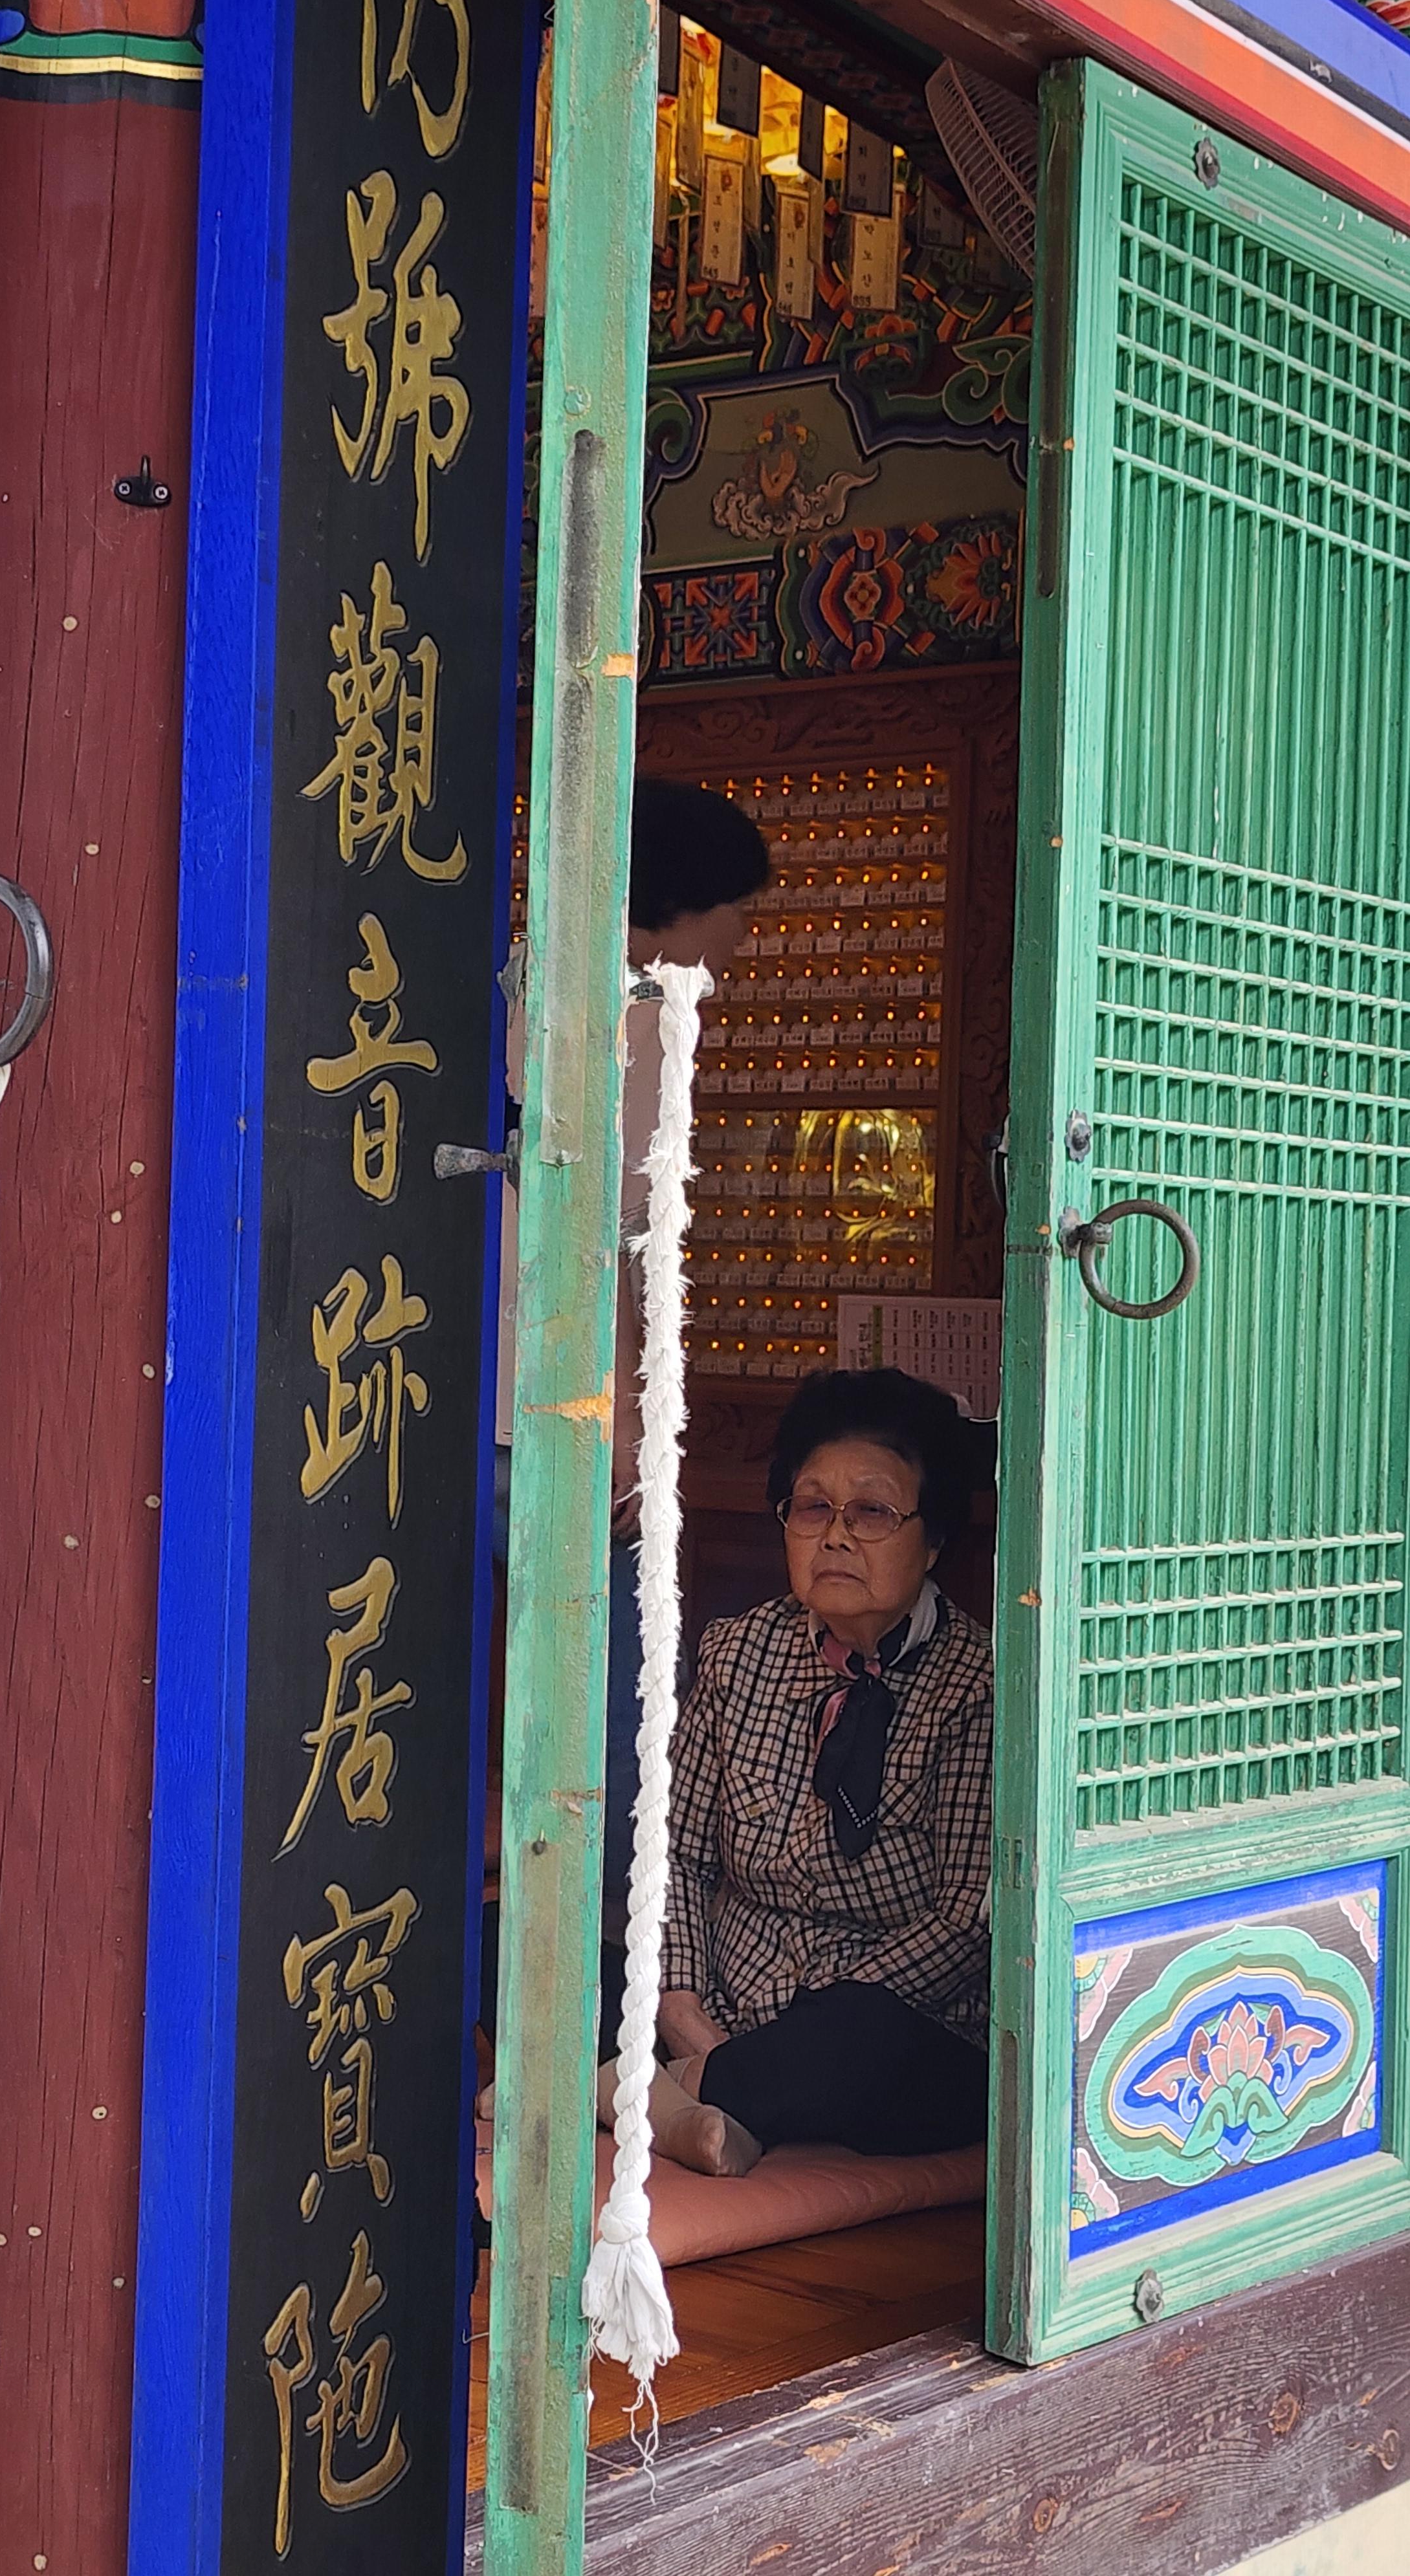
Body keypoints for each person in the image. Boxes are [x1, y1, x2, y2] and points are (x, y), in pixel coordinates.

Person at [493, 778, 775, 1925]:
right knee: (603, 1703)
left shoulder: (520, 974)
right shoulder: (640, 1008)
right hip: (565, 1420)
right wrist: (623, 1428)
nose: (744, 942)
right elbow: (606, 1234)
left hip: (461, 1402)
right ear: (682, 906)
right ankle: (603, 1962)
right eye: (740, 914)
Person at [615, 1366, 992, 2176]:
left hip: (884, 2018)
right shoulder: (739, 1652)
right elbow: (676, 1852)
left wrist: (802, 2027)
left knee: (869, 2048)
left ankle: (648, 2092)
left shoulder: (979, 1684)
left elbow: (967, 1919)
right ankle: (708, 2096)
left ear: (933, 1540)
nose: (836, 1536)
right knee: (521, 1942)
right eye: (813, 1507)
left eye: (873, 1512)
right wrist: (681, 2006)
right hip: (725, 1986)